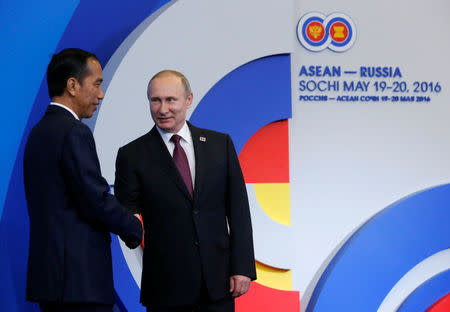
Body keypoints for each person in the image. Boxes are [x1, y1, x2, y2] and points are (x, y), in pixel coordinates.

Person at [114, 70, 257, 312]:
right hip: (165, 285)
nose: (162, 109)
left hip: (218, 283)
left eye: (171, 100)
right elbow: (127, 213)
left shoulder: (219, 145)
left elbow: (239, 210)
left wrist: (242, 267)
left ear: (188, 100)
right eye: (155, 100)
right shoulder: (132, 155)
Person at [23, 48, 143, 312]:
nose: (101, 94)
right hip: (80, 283)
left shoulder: (38, 132)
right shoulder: (74, 132)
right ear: (73, 85)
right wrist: (134, 227)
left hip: (51, 281)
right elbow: (94, 198)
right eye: (97, 84)